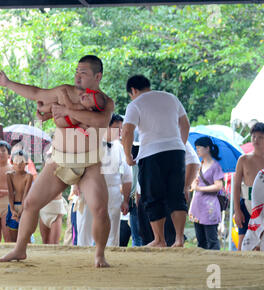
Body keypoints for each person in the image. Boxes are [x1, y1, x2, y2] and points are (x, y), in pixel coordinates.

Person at [0, 55, 114, 267]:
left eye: (83, 73)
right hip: (59, 160)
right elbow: (36, 92)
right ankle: (20, 249)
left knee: (100, 209)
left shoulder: (105, 102)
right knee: (30, 203)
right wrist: (8, 83)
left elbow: (100, 121)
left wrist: (67, 110)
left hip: (89, 163)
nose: (77, 76)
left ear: (97, 76)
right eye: (76, 72)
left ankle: (99, 254)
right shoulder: (63, 91)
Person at [122, 74, 190, 248]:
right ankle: (179, 239)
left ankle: (159, 239)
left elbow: (127, 131)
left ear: (133, 90)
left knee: (153, 197)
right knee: (176, 195)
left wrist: (128, 155)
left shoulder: (135, 104)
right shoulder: (171, 98)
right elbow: (185, 124)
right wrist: (180, 144)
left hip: (151, 154)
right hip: (176, 152)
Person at [77, 113, 132, 247]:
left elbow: (127, 177)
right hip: (92, 189)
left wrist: (125, 200)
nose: (120, 132)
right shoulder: (91, 144)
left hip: (113, 190)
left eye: (121, 128)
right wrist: (78, 186)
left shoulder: (120, 147)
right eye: (116, 128)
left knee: (112, 230)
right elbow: (79, 168)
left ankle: (110, 256)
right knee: (86, 227)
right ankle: (82, 257)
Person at [233, 122, 264, 250]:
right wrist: (237, 209)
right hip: (246, 203)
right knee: (242, 244)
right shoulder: (243, 159)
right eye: (254, 136)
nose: (256, 140)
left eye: (260, 137)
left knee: (263, 242)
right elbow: (236, 186)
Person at [188, 137, 224, 250]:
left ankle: (215, 264)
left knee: (212, 240)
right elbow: (195, 185)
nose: (197, 150)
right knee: (201, 241)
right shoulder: (200, 165)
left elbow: (219, 186)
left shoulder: (215, 166)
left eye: (199, 148)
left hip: (210, 207)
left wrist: (199, 188)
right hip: (197, 205)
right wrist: (194, 185)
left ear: (207, 148)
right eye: (196, 148)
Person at [6, 150, 34, 242]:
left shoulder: (28, 176)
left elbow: (26, 194)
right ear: (12, 162)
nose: (19, 164)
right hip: (13, 205)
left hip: (24, 206)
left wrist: (23, 208)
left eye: (21, 161)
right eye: (16, 161)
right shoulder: (9, 175)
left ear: (26, 163)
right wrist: (12, 210)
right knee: (13, 237)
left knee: (26, 236)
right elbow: (10, 193)